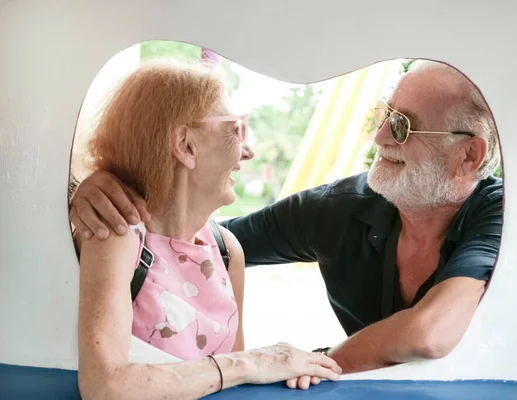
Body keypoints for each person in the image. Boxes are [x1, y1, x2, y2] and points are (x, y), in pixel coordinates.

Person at [70, 59, 503, 375]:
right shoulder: (337, 208)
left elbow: (430, 334)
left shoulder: (500, 212)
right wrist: (98, 189)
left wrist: (309, 367)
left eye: (404, 126)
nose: (379, 136)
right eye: (384, 115)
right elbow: (183, 236)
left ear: (468, 155)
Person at [72, 59, 342, 400]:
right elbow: (104, 385)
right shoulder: (118, 236)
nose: (248, 151)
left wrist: (280, 368)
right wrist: (252, 362)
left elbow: (234, 388)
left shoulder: (227, 249)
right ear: (185, 145)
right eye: (236, 128)